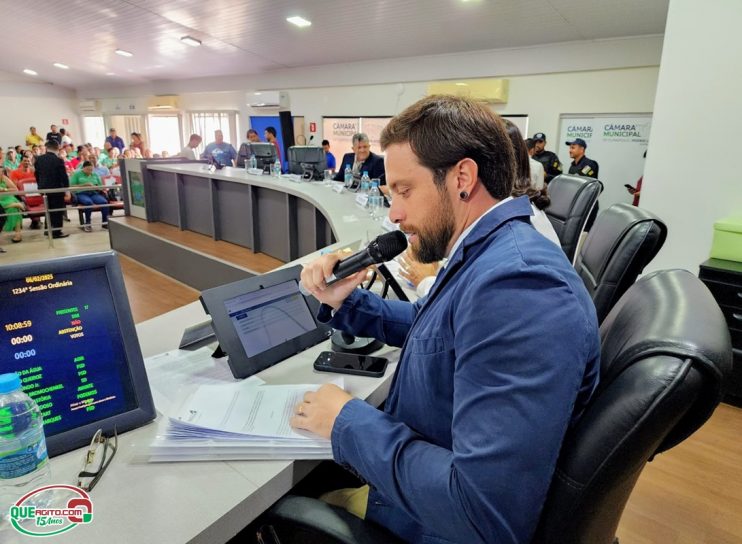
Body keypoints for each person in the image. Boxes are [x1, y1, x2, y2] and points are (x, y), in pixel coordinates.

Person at [292, 95, 600, 543]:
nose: (394, 214)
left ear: (462, 177)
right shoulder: (493, 250)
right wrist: (347, 304)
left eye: (404, 190)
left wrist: (345, 422)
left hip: (424, 524)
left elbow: (482, 512)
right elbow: (434, 325)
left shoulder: (520, 288)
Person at [35, 140, 69, 238]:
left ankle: (47, 229)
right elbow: (63, 176)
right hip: (56, 189)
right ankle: (56, 232)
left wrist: (39, 187)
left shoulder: (39, 159)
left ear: (47, 148)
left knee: (48, 209)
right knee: (57, 211)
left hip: (44, 188)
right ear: (57, 148)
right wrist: (66, 190)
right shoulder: (58, 160)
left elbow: (37, 174)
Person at [566, 137, 600, 230]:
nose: (570, 150)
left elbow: (584, 185)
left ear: (582, 149)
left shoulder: (590, 164)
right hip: (577, 204)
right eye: (570, 148)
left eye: (573, 148)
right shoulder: (572, 166)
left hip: (587, 204)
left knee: (583, 233)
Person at [69, 161, 109, 232]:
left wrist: (96, 187)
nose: (90, 171)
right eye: (88, 169)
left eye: (91, 169)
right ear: (83, 168)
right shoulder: (77, 174)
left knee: (104, 202)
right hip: (81, 193)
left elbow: (100, 186)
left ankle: (105, 222)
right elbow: (71, 186)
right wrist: (84, 185)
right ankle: (87, 223)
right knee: (88, 203)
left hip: (93, 193)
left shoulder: (95, 175)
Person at [0, 168, 25, 243]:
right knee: (12, 206)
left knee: (14, 209)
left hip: (7, 198)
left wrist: (4, 189)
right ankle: (15, 204)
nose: (1, 174)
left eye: (1, 172)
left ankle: (18, 234)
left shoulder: (4, 178)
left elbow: (15, 189)